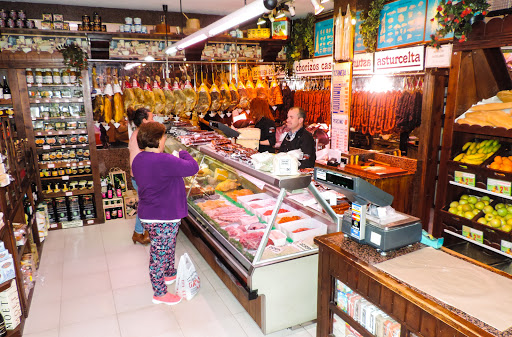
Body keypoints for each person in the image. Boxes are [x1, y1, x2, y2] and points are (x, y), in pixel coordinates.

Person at [132, 122, 199, 305]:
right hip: (162, 215)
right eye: (164, 138)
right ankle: (159, 292)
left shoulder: (139, 159)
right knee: (159, 253)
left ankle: (169, 274)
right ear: (157, 140)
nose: (165, 141)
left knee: (167, 246)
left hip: (150, 212)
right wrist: (184, 154)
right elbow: (192, 168)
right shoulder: (164, 160)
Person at [128, 107, 153, 245]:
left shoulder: (137, 133)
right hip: (140, 177)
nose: (153, 121)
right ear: (144, 120)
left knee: (144, 204)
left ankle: (138, 233)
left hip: (137, 176)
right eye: (151, 118)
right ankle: (144, 233)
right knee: (147, 205)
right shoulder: (140, 136)